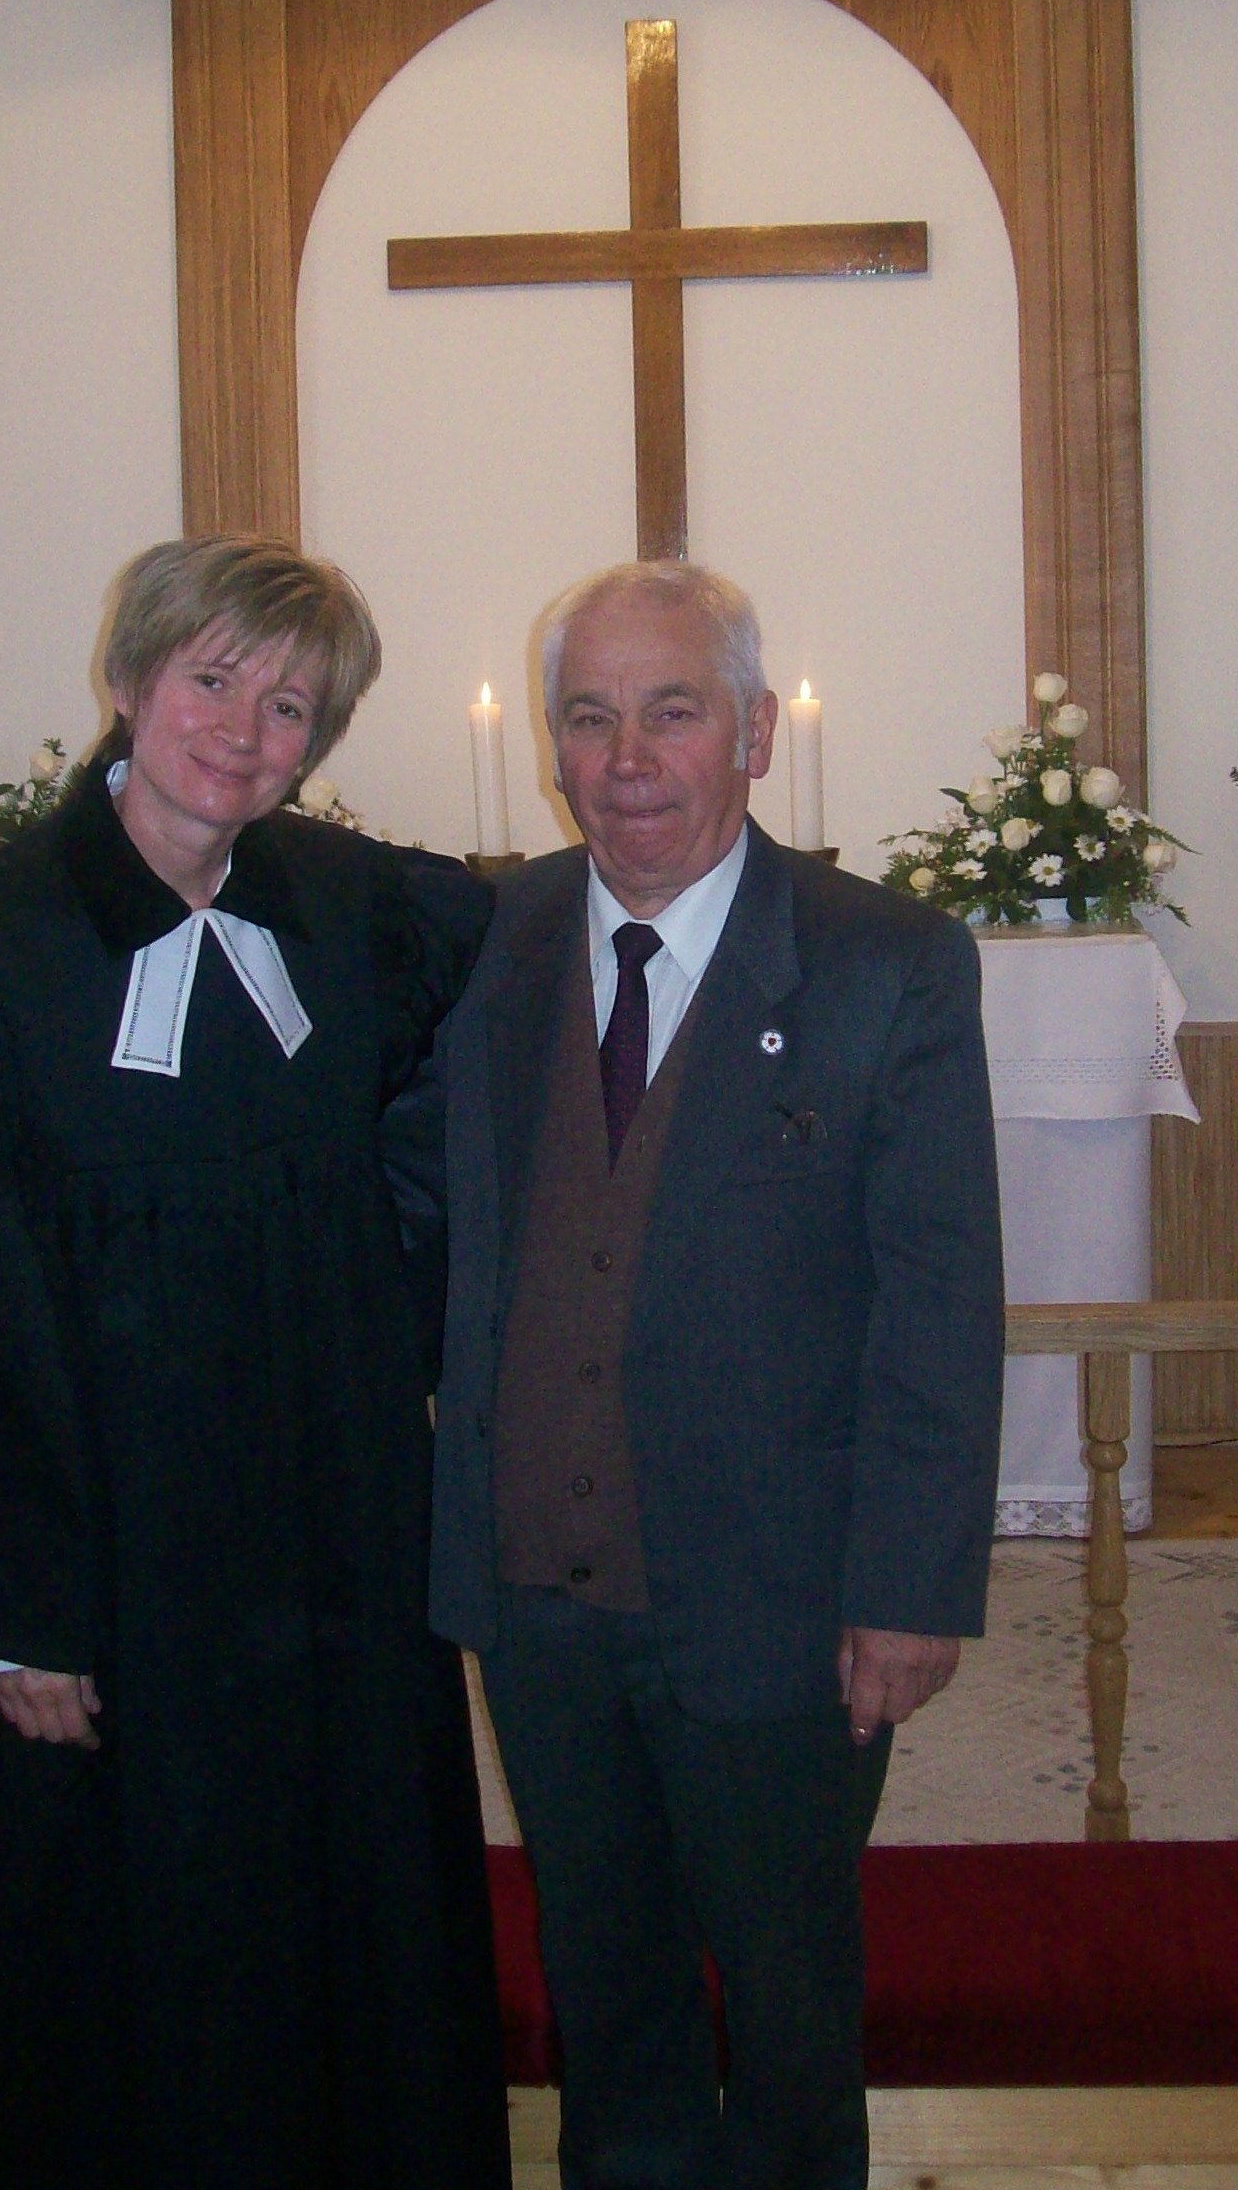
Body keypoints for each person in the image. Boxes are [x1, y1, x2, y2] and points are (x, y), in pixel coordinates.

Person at [0, 538, 512, 2190]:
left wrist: (398, 1277)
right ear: (127, 679)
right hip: (93, 1584)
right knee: (109, 1964)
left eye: (291, 706)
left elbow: (486, 1040)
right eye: (212, 681)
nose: (243, 732)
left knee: (340, 1926)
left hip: (329, 1557)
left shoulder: (357, 912)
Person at [421, 560, 1004, 2190]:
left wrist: (911, 1589)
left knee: (790, 2004)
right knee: (607, 1999)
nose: (626, 762)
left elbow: (941, 1300)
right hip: (538, 1597)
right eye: (589, 718)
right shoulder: (491, 944)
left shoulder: (886, 962)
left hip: (777, 1599)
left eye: (670, 713)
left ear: (752, 733)